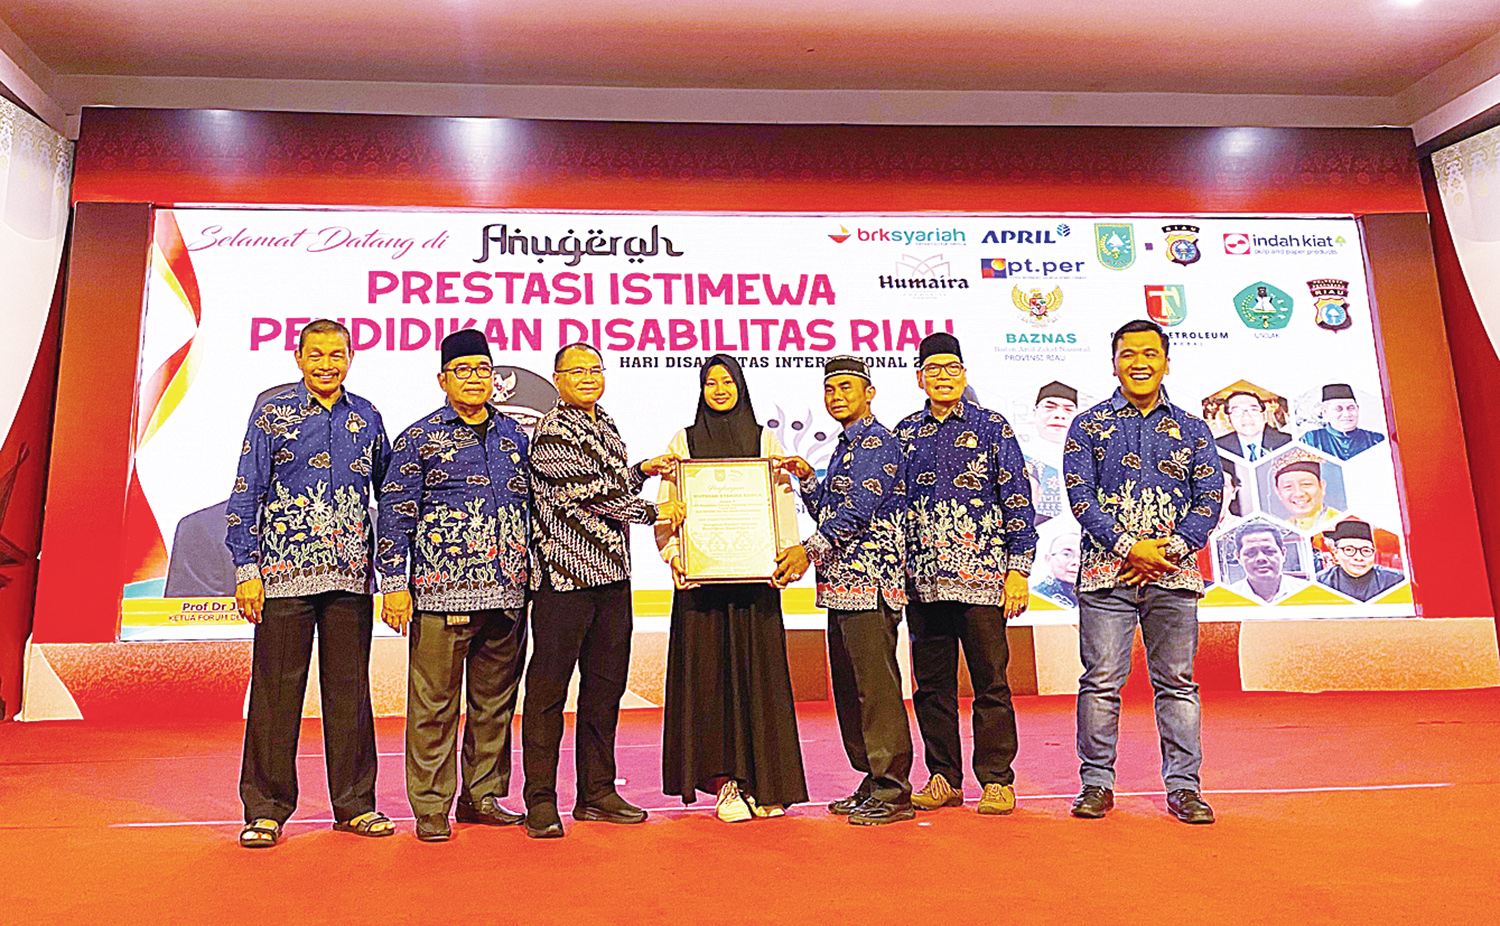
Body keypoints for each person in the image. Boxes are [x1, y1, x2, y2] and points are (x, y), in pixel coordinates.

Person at [226, 319, 394, 848]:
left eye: (337, 354)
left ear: (352, 356)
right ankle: (266, 809)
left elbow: (389, 500)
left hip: (350, 579)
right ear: (297, 357)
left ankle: (355, 804)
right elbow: (245, 491)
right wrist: (247, 569)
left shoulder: (367, 416)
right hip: (280, 578)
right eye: (316, 354)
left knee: (349, 693)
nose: (327, 363)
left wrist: (391, 576)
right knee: (277, 694)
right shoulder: (272, 413)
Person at [521, 343, 684, 839]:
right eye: (577, 370)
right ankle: (541, 800)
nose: (589, 377)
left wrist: (643, 471)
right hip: (563, 580)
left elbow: (609, 481)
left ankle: (596, 791)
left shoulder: (605, 421)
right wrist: (653, 512)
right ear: (557, 377)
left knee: (604, 689)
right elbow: (586, 494)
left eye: (596, 368)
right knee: (548, 692)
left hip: (611, 577)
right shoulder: (551, 429)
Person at [1063, 319, 1223, 825]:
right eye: (1128, 353)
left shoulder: (1194, 429)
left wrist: (1168, 551)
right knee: (1101, 681)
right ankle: (1095, 784)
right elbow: (1079, 495)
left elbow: (1210, 499)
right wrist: (1129, 547)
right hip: (1105, 575)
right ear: (1113, 362)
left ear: (1166, 361)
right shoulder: (1087, 425)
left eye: (1150, 353)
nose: (1139, 362)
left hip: (1173, 578)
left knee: (1177, 683)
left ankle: (1184, 788)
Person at [376, 329, 531, 842]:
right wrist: (394, 584)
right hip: (441, 595)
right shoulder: (418, 437)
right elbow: (395, 516)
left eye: (482, 370)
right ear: (443, 378)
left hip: (508, 592)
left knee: (495, 703)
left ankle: (481, 796)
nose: (473, 379)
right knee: (435, 705)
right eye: (462, 371)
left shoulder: (515, 436)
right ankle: (431, 806)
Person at [653, 355, 808, 822]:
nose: (719, 389)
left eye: (727, 381)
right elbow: (669, 506)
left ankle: (766, 783)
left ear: (741, 385)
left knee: (758, 679)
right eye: (710, 382)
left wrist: (786, 554)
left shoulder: (764, 439)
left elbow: (778, 503)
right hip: (701, 587)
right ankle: (727, 785)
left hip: (755, 583)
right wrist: (675, 557)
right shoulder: (684, 440)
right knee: (710, 684)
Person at [894, 332, 1037, 816]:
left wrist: (1018, 570)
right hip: (921, 582)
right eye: (933, 370)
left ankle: (997, 779)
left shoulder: (992, 428)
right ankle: (943, 778)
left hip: (983, 580)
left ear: (964, 374)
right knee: (931, 687)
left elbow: (1017, 501)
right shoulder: (904, 433)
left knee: (990, 682)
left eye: (952, 368)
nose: (943, 377)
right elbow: (892, 506)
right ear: (919, 378)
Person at [773, 356, 914, 826]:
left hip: (871, 584)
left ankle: (893, 789)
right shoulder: (845, 446)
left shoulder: (877, 443)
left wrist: (804, 553)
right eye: (830, 388)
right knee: (852, 690)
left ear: (869, 392)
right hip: (840, 587)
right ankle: (872, 780)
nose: (836, 396)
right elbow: (831, 509)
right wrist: (809, 479)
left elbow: (853, 514)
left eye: (847, 387)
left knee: (876, 692)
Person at [1024, 381, 1080, 525]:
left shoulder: (1089, 458)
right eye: (1049, 407)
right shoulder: (1018, 456)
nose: (1059, 415)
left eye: (1068, 409)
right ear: (1034, 412)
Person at [1316, 519, 1404, 602]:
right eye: (1349, 550)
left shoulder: (1396, 580)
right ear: (1336, 553)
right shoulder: (1320, 581)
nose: (1358, 557)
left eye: (1366, 550)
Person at [1224, 522, 1308, 604]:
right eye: (1251, 553)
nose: (1261, 558)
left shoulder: (1308, 592)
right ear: (1239, 557)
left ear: (1283, 553)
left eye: (1269, 551)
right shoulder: (1226, 600)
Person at [1300, 384, 1386, 461]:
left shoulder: (1376, 440)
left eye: (1351, 408)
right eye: (1338, 409)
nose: (1346, 414)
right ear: (1325, 412)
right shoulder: (1310, 440)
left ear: (1358, 409)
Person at [1272, 449, 1340, 530]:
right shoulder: (1282, 529)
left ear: (1322, 487)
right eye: (1288, 487)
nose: (1298, 493)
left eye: (1306, 484)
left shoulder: (1340, 521)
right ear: (1278, 493)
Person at [1215, 390, 1290, 461]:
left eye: (1253, 410)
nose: (1246, 416)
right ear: (1228, 419)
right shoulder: (1218, 448)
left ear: (1264, 416)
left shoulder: (1287, 442)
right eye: (1237, 411)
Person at [1031, 531, 1080, 608]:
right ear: (1048, 559)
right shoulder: (1038, 594)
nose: (1076, 562)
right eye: (1067, 554)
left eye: (1082, 556)